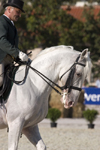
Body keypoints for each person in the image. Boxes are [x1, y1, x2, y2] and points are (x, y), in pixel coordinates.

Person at [0, 0, 28, 87]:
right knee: (0, 81)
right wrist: (17, 53)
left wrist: (21, 56)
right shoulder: (2, 21)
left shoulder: (11, 24)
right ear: (9, 9)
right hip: (1, 59)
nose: (19, 15)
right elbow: (1, 41)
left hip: (10, 61)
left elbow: (12, 45)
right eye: (17, 12)